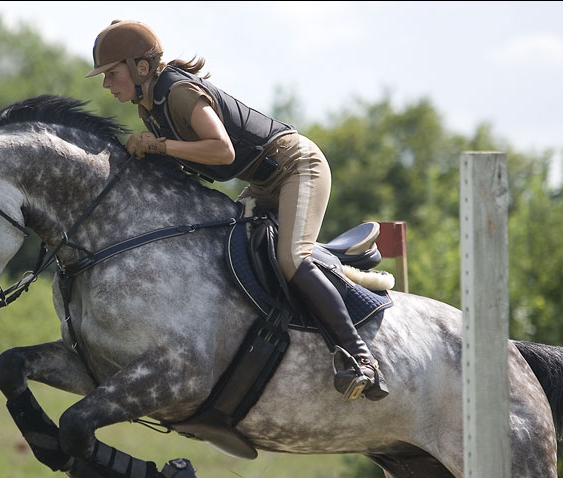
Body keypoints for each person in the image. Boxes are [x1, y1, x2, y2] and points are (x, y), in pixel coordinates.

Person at [85, 20, 388, 402]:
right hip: (264, 182)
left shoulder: (177, 93)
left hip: (298, 166)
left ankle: (361, 358)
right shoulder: (150, 107)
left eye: (111, 73)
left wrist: (159, 147)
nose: (106, 84)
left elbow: (222, 150)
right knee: (223, 247)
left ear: (140, 67)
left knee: (292, 258)